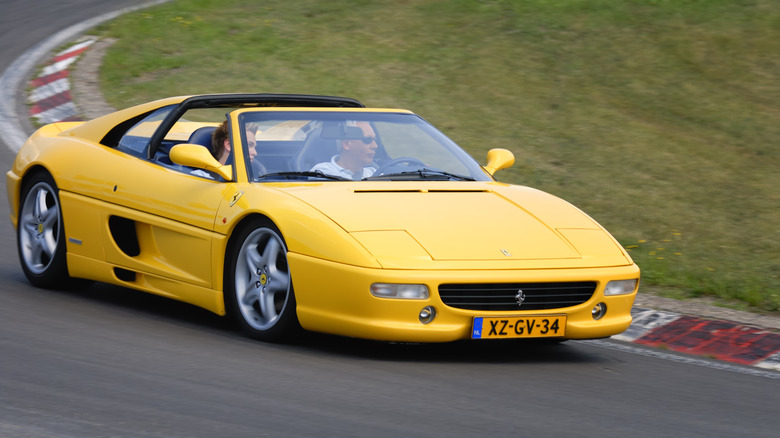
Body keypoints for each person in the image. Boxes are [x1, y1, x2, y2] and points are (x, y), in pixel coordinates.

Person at [311, 121, 377, 179]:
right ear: (346, 144)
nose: (375, 146)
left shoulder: (374, 173)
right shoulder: (322, 173)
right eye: (368, 140)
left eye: (375, 140)